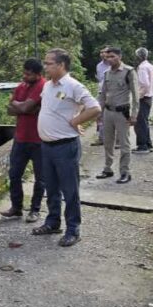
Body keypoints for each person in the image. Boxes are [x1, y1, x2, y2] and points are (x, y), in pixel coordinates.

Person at [32, 48, 101, 247]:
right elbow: (59, 108)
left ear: (61, 65)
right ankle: (53, 222)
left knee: (70, 190)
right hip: (47, 146)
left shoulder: (73, 85)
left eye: (49, 64)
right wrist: (75, 115)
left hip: (65, 147)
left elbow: (95, 107)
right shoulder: (48, 86)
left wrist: (77, 120)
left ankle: (73, 230)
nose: (45, 67)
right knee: (51, 188)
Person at [0, 59, 46, 223]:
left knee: (41, 178)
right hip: (20, 138)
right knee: (14, 174)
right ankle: (16, 207)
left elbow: (22, 108)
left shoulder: (43, 86)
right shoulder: (21, 86)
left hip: (39, 140)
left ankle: (35, 210)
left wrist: (22, 107)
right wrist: (29, 108)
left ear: (38, 74)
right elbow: (10, 109)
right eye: (24, 73)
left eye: (29, 74)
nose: (25, 76)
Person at [96, 47, 140, 183]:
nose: (109, 59)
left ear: (120, 57)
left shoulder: (129, 72)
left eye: (112, 57)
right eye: (108, 57)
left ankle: (125, 172)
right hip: (108, 112)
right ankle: (107, 169)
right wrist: (99, 112)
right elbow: (103, 94)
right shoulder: (107, 73)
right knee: (107, 142)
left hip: (122, 113)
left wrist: (134, 114)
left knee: (124, 144)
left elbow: (135, 95)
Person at [133, 48, 153, 154]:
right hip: (149, 97)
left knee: (140, 123)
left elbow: (145, 84)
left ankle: (142, 146)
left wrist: (138, 97)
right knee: (144, 121)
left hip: (143, 98)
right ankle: (148, 144)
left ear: (138, 56)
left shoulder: (142, 68)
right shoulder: (151, 66)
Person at [91, 48, 111, 146]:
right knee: (99, 115)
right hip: (101, 92)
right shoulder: (99, 66)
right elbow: (100, 80)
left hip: (112, 93)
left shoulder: (113, 64)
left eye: (105, 52)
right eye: (101, 52)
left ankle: (116, 139)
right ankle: (101, 138)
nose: (102, 54)